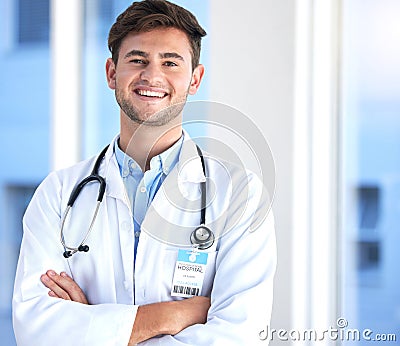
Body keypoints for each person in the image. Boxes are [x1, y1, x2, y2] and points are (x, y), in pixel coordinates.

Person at [12, 1, 276, 345]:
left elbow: (239, 335)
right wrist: (172, 315)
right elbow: (34, 328)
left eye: (170, 62)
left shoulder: (239, 194)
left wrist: (92, 326)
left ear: (195, 79)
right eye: (137, 60)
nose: (152, 75)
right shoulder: (59, 193)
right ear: (111, 73)